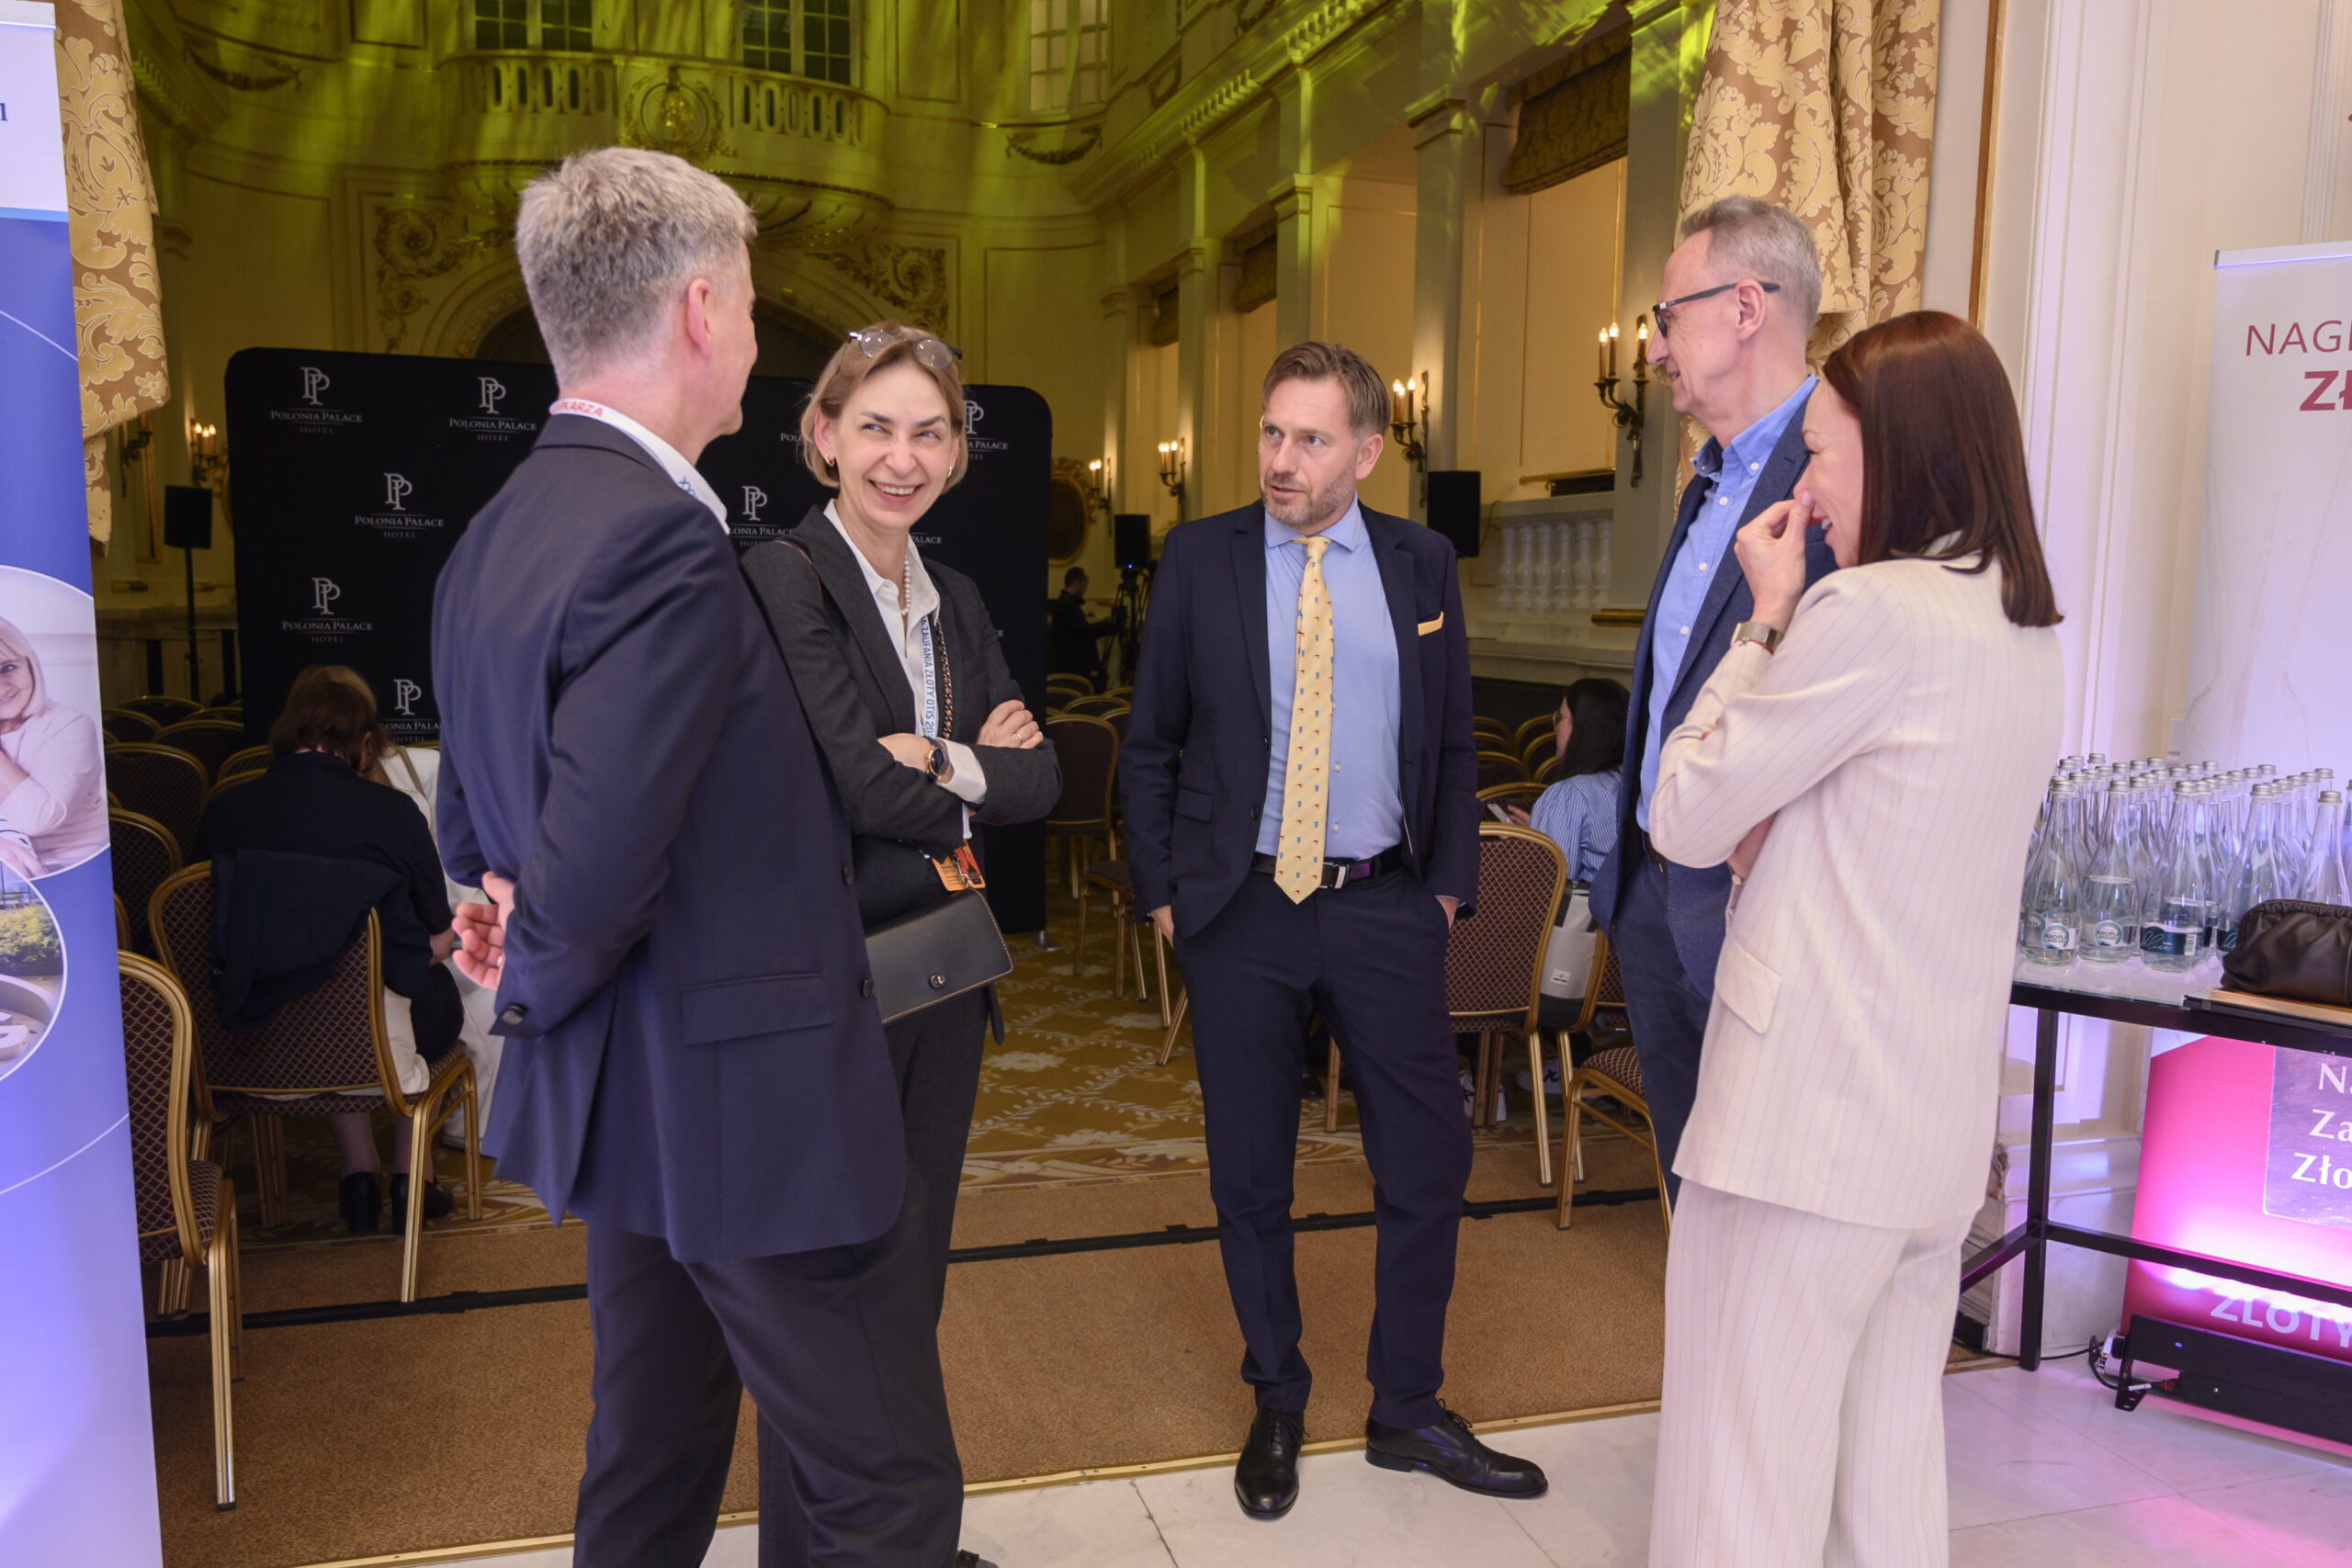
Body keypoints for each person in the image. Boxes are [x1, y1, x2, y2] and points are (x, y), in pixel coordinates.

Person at [429, 148, 963, 1568]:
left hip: (631, 1100)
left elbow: (478, 820)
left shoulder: (493, 532)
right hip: (745, 1107)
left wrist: (511, 923)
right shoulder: (661, 538)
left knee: (652, 1455)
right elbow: (591, 871)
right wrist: (539, 948)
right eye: (754, 304)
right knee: (888, 1486)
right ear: (703, 309)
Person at [1644, 310, 2064, 1566]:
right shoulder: (2022, 624)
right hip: (1926, 1130)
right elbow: (1885, 827)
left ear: (1899, 449)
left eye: (1822, 452)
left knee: (1741, 1480)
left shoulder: (1867, 610)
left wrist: (1763, 620)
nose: (1809, 487)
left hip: (1805, 1126)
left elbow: (1682, 813)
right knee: (1886, 1476)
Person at [1123, 340, 1545, 1521]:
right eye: (1271, 433)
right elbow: (1151, 741)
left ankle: (1406, 1407)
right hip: (1240, 909)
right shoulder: (1200, 556)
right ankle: (1276, 1397)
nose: (1280, 459)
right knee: (1250, 1172)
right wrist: (1162, 891)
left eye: (1310, 439)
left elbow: (1451, 737)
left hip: (1383, 905)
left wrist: (1445, 888)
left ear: (1366, 451)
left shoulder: (1420, 562)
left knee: (1426, 1161)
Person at [739, 322, 1057, 1566]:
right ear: (823, 437)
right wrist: (972, 769)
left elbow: (1041, 780)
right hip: (832, 984)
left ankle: (883, 1542)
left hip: (944, 970)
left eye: (929, 431)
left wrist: (935, 756)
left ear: (958, 451)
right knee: (826, 1289)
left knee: (911, 1273)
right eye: (874, 427)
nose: (901, 456)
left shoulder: (953, 597)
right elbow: (854, 784)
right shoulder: (786, 575)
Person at [1586, 196, 1838, 1208]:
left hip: (1756, 901)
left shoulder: (1837, 472)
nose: (1652, 350)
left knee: (1771, 1207)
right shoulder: (1706, 480)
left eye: (1666, 318)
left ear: (1744, 308)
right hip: (1654, 892)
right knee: (1690, 1203)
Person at [194, 670, 464, 1233]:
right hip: (375, 1039)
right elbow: (436, 940)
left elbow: (198, 923)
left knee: (325, 991)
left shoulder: (223, 810)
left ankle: (357, 1174)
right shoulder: (392, 813)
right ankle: (412, 1176)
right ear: (365, 743)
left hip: (249, 1035)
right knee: (404, 989)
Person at [0, 615, 105, 877]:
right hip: (10, 875)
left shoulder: (70, 725)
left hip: (76, 873)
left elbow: (37, 818)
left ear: (29, 663)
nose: (2, 688)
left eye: (8, 668)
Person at [1503, 677, 1629, 883]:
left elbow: (1546, 885)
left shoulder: (1569, 794)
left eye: (1559, 718)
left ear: (1582, 728)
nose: (1554, 727)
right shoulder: (1629, 783)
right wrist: (1538, 830)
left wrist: (1516, 850)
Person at [1046, 567, 1114, 684]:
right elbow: (1084, 632)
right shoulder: (1067, 605)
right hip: (1072, 667)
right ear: (1077, 582)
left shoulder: (1066, 602)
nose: (1086, 589)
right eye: (1085, 584)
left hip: (1070, 665)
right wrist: (1107, 624)